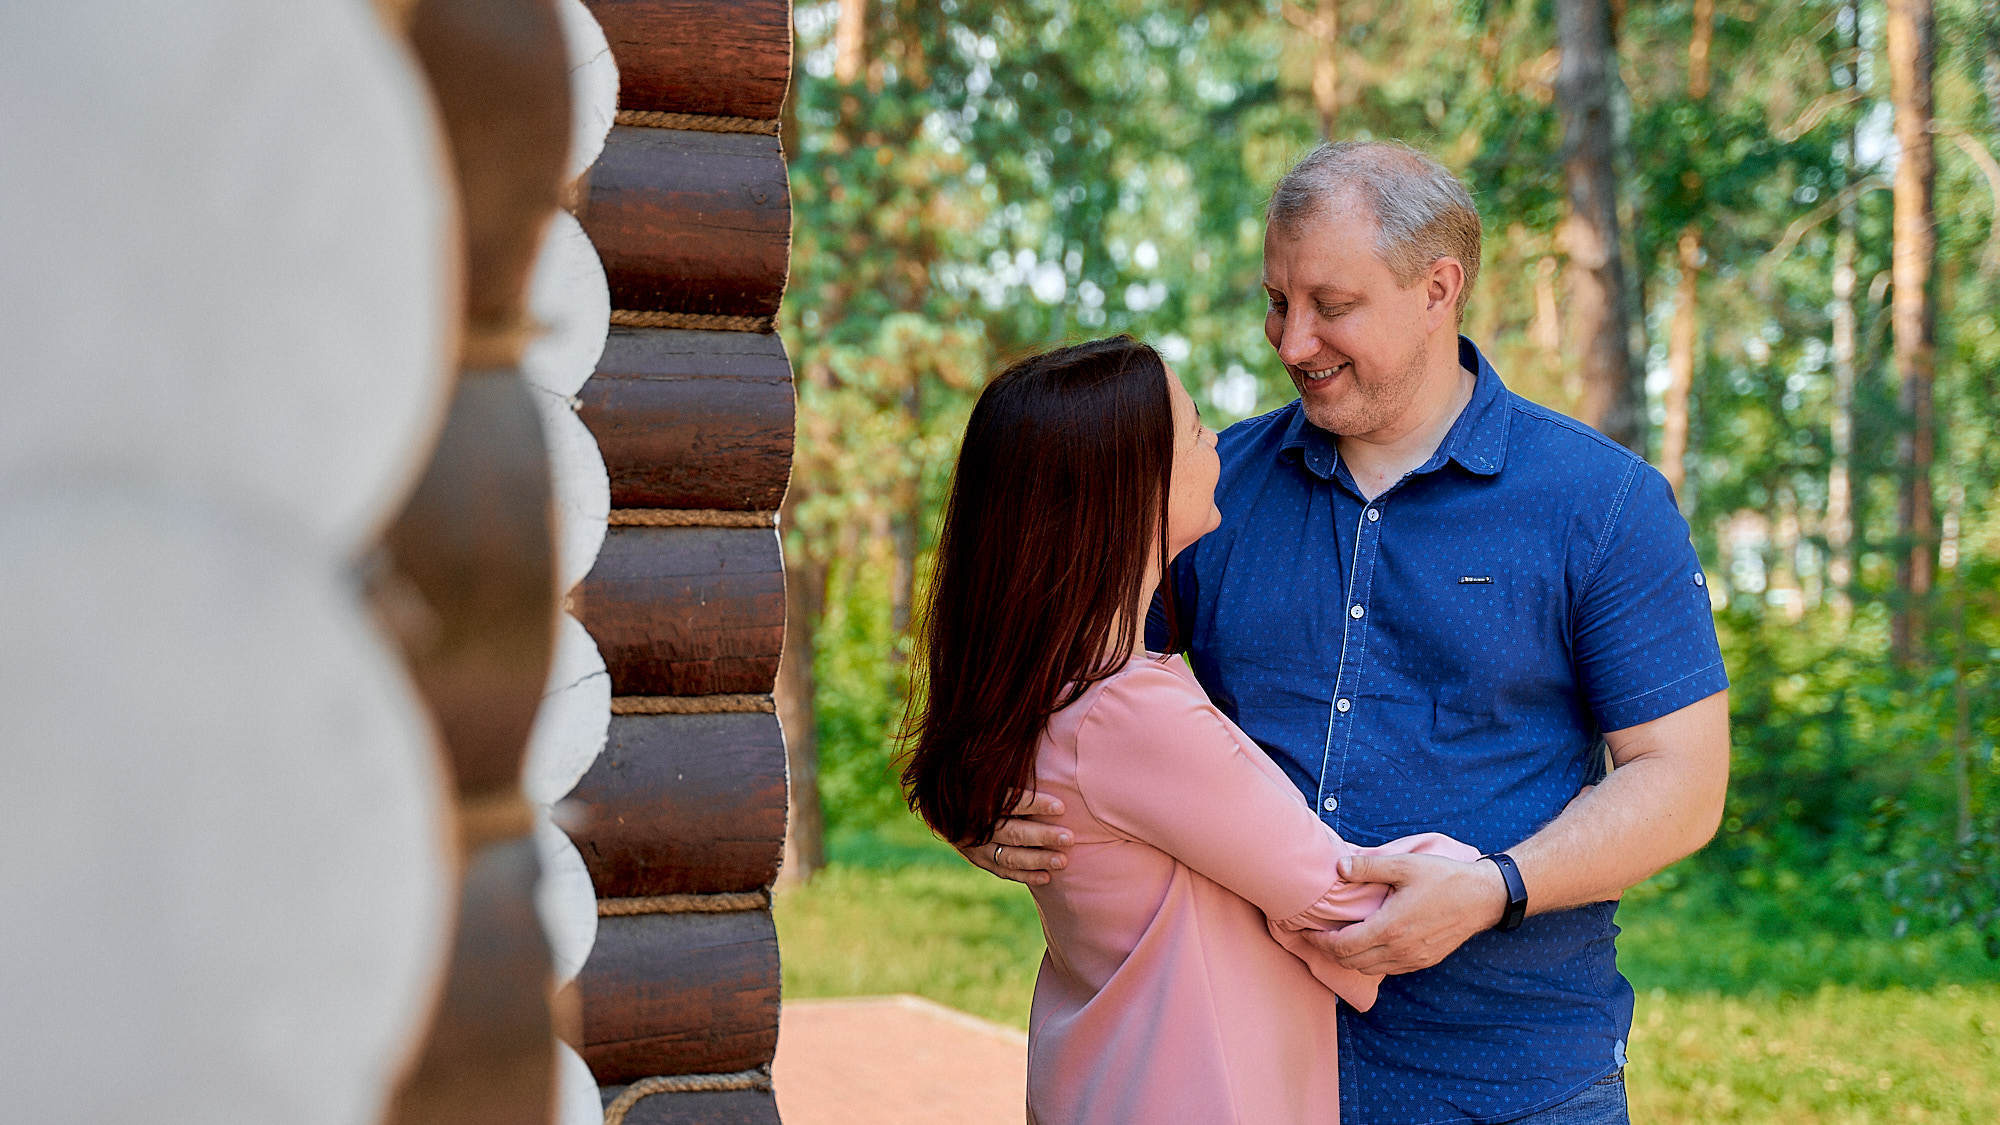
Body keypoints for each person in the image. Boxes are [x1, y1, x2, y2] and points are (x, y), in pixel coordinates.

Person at [962, 141, 1732, 1124]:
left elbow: (1680, 780)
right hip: (1249, 1071)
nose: (1290, 343)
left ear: (1436, 290)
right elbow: (1063, 684)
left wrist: (1496, 885)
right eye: (1275, 301)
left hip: (1512, 1077)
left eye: (1330, 304)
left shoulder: (1601, 502)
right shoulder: (1208, 488)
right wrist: (984, 803)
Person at [899, 336, 1482, 1124]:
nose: (1217, 442)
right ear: (1130, 487)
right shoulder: (1128, 713)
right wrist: (1485, 870)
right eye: (1196, 426)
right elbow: (1340, 896)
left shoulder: (1064, 691)